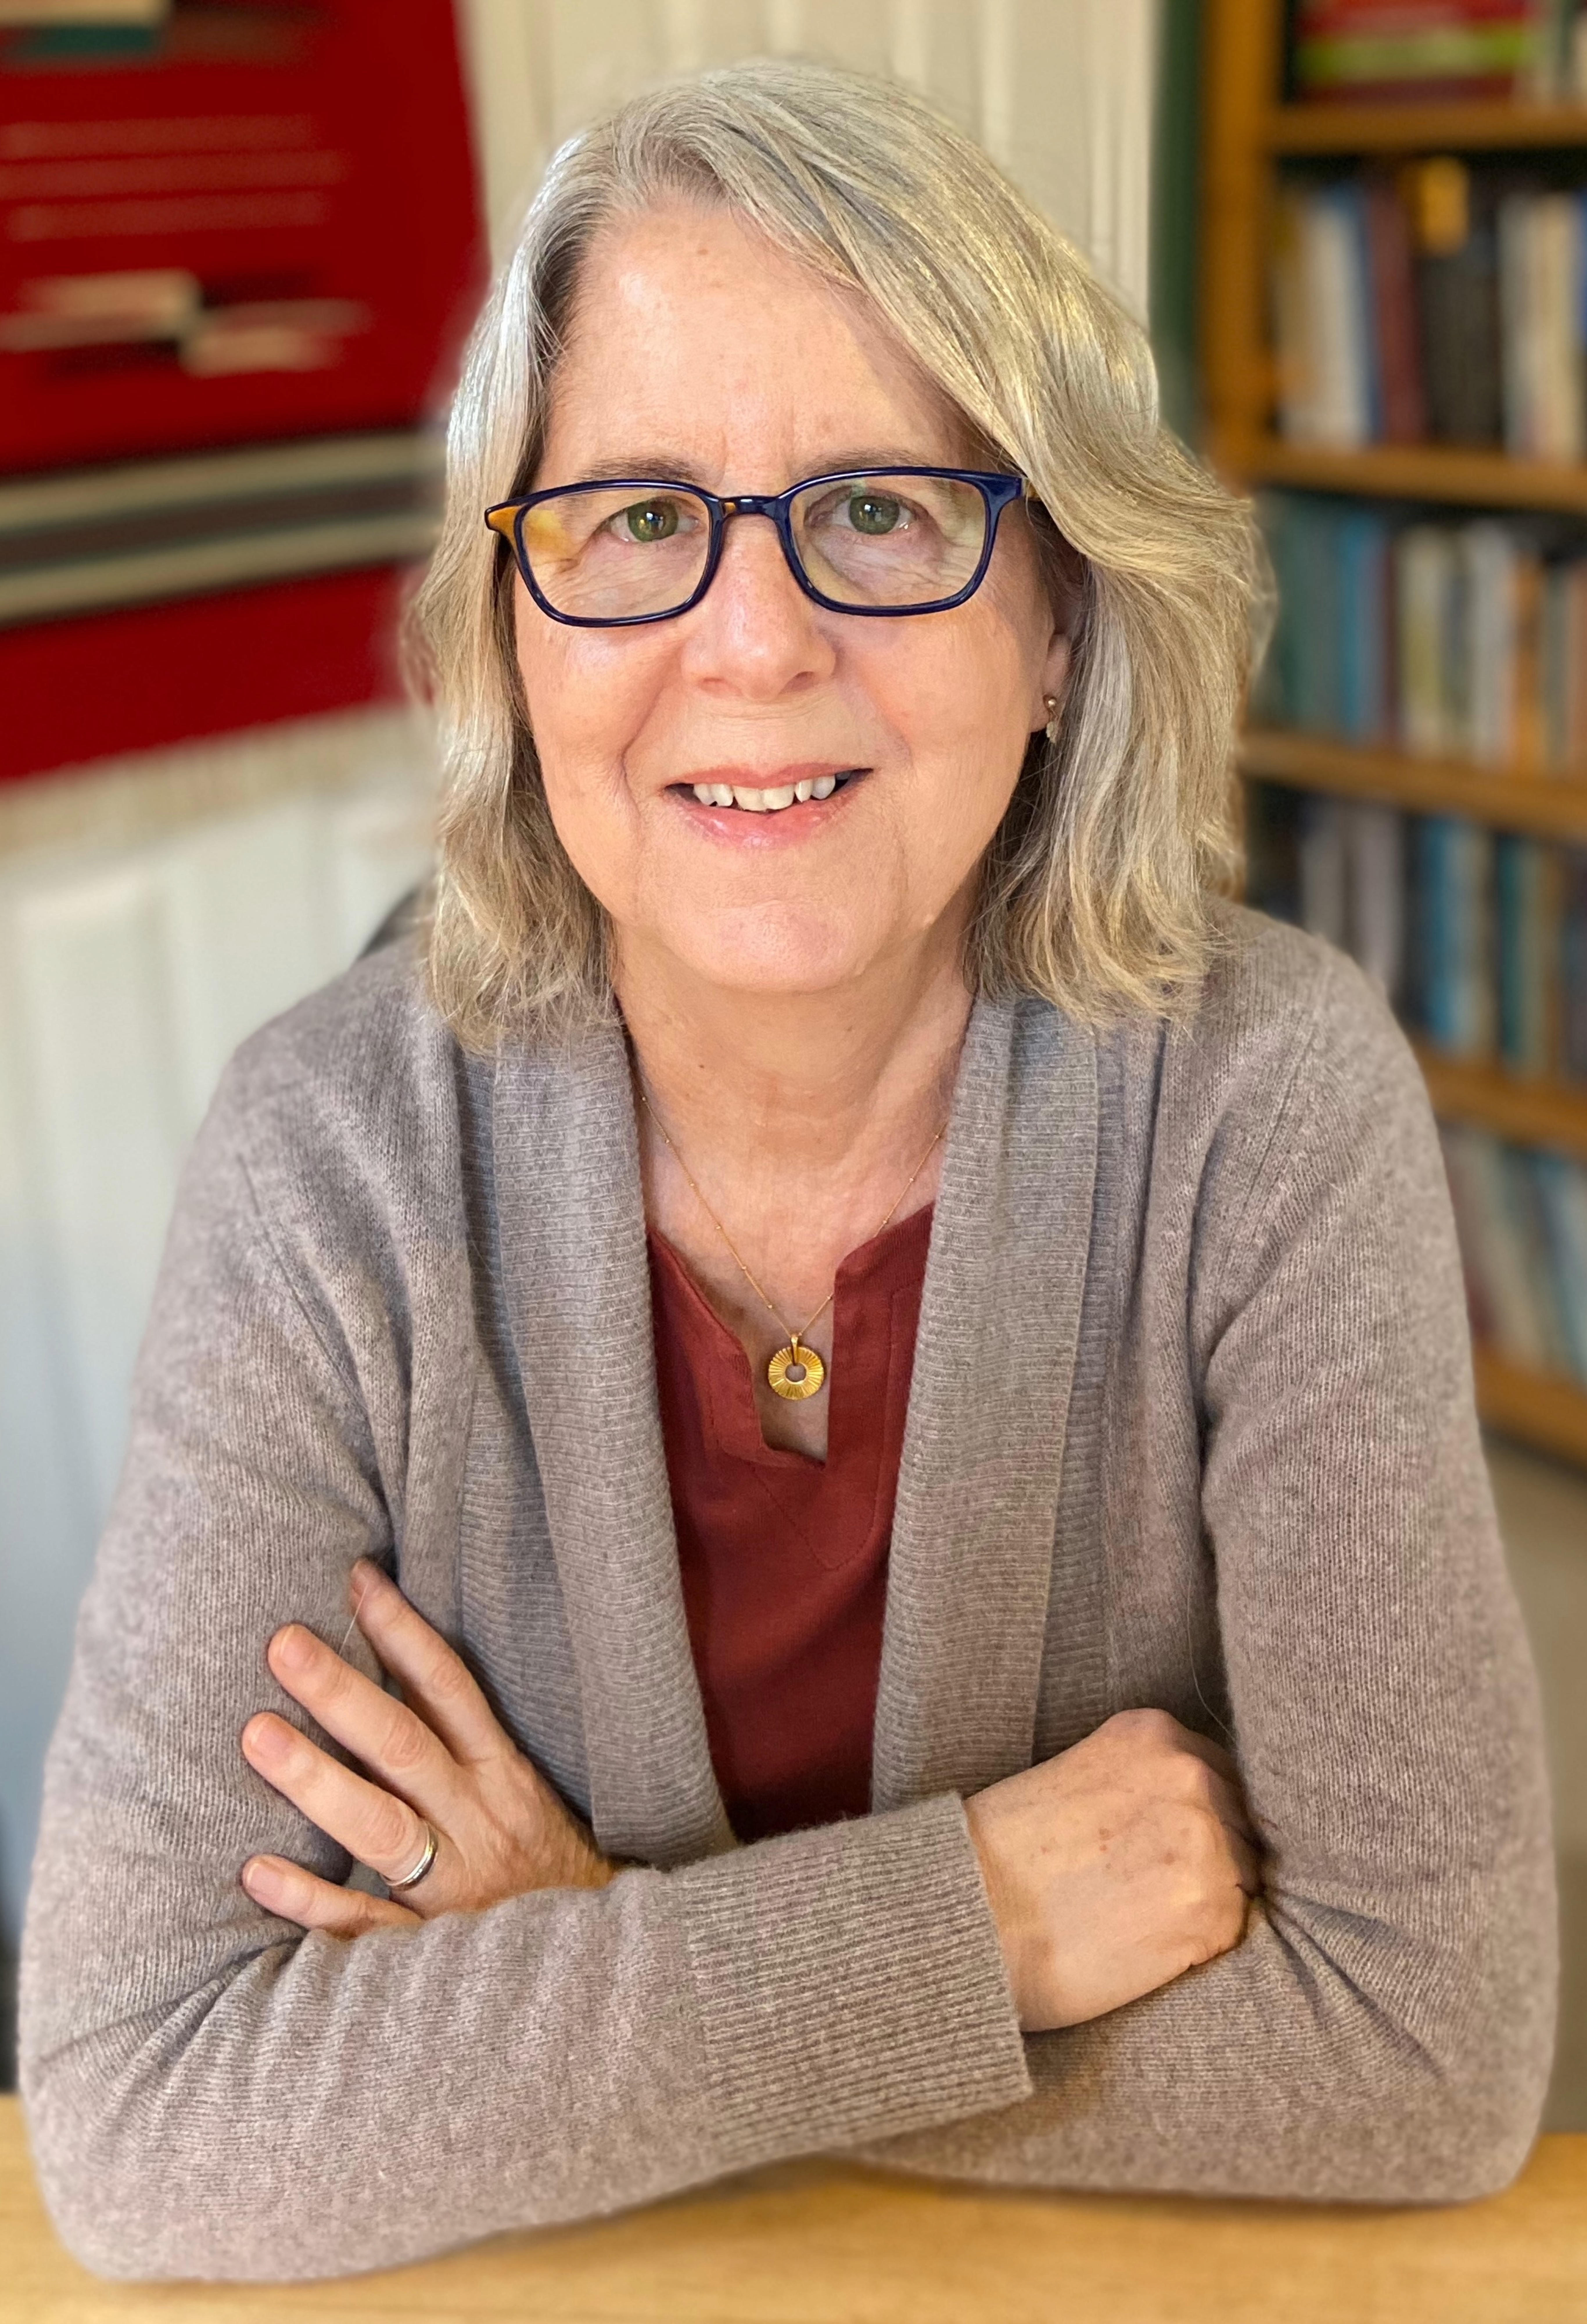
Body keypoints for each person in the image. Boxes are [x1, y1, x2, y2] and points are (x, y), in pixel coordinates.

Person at [20, 60, 1555, 2284]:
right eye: (634, 518)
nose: (750, 644)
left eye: (881, 509)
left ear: (1059, 621)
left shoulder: (1264, 1106)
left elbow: (1420, 2045)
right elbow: (148, 2104)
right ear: (513, 634)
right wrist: (982, 1930)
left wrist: (587, 1962)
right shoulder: (329, 1158)